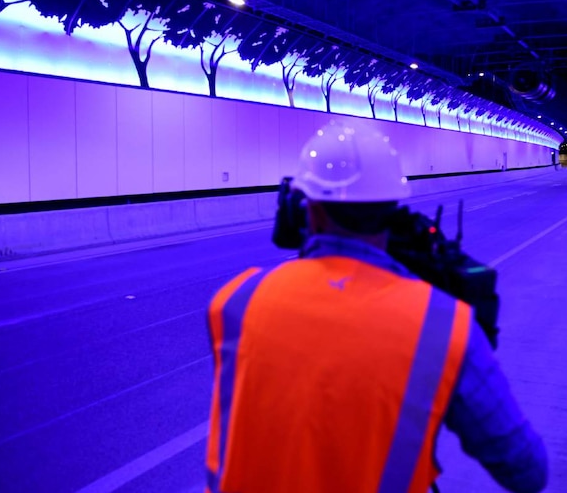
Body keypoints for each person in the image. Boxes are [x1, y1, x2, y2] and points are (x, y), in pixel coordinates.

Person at [204, 120, 548, 493]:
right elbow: (527, 471)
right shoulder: (442, 325)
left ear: (310, 212)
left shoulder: (236, 300)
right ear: (392, 209)